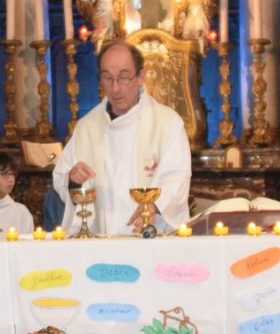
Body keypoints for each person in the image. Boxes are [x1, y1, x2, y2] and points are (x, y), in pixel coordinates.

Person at [50, 41, 191, 234]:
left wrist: (154, 206)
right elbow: (61, 176)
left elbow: (177, 176)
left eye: (123, 77)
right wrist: (73, 181)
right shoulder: (87, 127)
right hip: (101, 240)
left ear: (140, 76)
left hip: (152, 236)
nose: (115, 88)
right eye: (107, 78)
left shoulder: (168, 123)